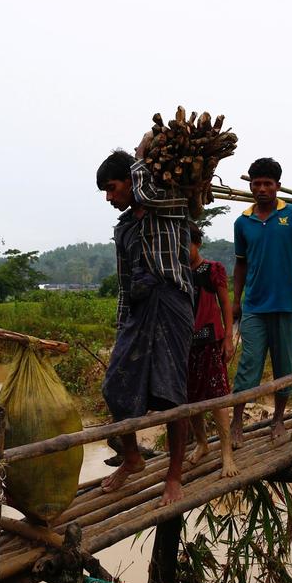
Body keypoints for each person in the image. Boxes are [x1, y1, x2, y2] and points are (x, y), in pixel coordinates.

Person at [95, 144, 193, 506]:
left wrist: (138, 157)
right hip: (138, 308)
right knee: (115, 386)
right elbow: (123, 282)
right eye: (105, 191)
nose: (108, 197)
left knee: (172, 394)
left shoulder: (167, 205)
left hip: (171, 302)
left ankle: (173, 476)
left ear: (131, 181)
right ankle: (132, 457)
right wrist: (122, 324)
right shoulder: (123, 230)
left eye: (113, 188)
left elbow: (149, 195)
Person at [230, 158, 292, 447]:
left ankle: (278, 420)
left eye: (267, 184)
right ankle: (236, 422)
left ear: (277, 186)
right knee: (248, 367)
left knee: (285, 366)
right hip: (255, 307)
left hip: (287, 305)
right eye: (256, 183)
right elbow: (240, 266)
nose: (261, 189)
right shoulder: (242, 222)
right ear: (250, 185)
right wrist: (237, 301)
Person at [185, 224, 238, 478]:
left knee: (217, 397)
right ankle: (202, 443)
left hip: (210, 341)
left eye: (187, 244)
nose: (183, 251)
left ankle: (226, 453)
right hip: (187, 345)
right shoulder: (179, 273)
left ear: (197, 244)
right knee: (191, 399)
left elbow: (226, 304)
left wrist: (228, 337)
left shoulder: (212, 269)